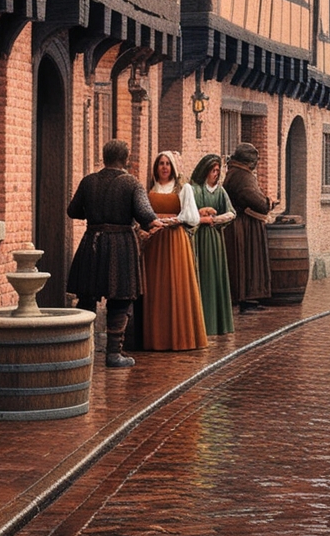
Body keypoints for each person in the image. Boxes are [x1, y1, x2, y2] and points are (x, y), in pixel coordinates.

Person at [66, 138, 161, 368]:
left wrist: (96, 216)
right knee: (120, 299)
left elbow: (73, 211)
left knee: (87, 298)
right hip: (120, 246)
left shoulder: (89, 182)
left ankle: (80, 350)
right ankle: (113, 354)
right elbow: (146, 215)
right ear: (125, 160)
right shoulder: (131, 183)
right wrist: (156, 224)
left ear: (105, 157)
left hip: (92, 244)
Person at [144, 151, 208, 351]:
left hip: (174, 241)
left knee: (177, 284)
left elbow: (191, 216)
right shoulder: (150, 189)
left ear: (173, 167)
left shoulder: (183, 188)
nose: (164, 167)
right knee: (156, 287)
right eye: (161, 164)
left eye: (167, 164)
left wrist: (171, 220)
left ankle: (180, 337)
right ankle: (156, 338)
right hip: (154, 243)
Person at [223, 143, 277, 313]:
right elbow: (257, 202)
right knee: (247, 262)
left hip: (240, 224)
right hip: (244, 227)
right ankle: (247, 300)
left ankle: (248, 300)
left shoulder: (233, 173)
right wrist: (268, 202)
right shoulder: (243, 176)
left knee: (245, 263)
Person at [189, 153, 236, 337]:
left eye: (218, 170)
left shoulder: (220, 191)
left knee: (215, 277)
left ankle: (217, 323)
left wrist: (216, 220)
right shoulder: (194, 189)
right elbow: (188, 213)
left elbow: (231, 212)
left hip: (215, 240)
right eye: (213, 170)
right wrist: (202, 218)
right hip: (198, 238)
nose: (216, 174)